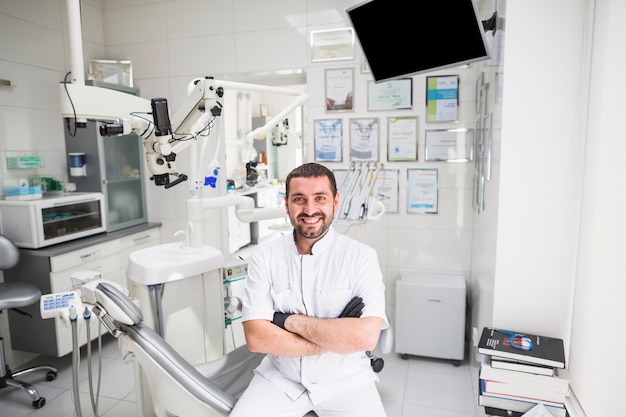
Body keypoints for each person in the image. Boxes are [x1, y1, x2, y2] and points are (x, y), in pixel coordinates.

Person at [230, 162, 389, 417]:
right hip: (281, 380)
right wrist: (336, 335)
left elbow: (365, 338)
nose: (310, 209)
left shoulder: (361, 258)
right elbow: (257, 338)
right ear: (287, 204)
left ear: (335, 202)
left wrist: (287, 321)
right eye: (299, 199)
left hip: (346, 381)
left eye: (320, 198)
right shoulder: (264, 258)